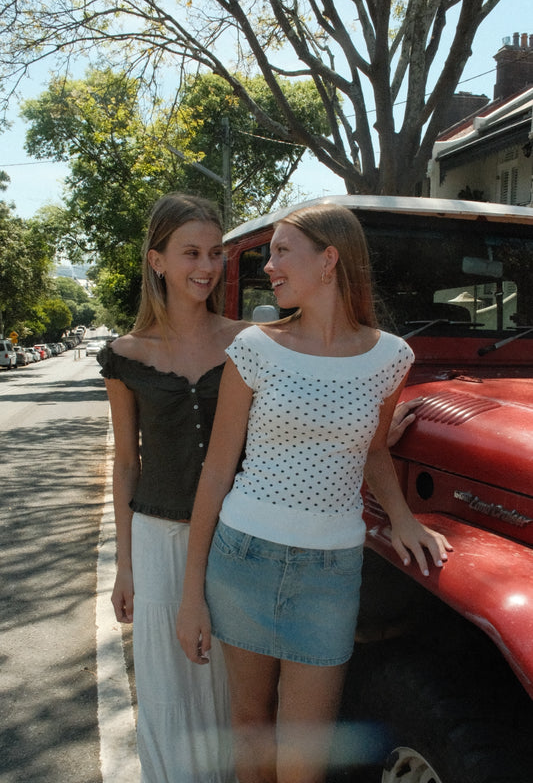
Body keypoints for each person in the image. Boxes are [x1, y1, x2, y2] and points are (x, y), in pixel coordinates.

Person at [176, 203, 452, 783]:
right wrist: (191, 595)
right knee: (251, 729)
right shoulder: (254, 347)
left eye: (281, 251)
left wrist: (402, 518)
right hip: (243, 558)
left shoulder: (390, 356)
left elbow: (374, 449)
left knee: (304, 755)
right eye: (270, 253)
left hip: (330, 573)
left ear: (330, 260)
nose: (268, 266)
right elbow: (217, 468)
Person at [99, 192, 247, 783]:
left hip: (238, 537)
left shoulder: (249, 342)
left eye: (215, 253)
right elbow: (126, 464)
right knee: (167, 691)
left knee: (233, 689)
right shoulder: (124, 356)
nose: (206, 267)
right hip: (158, 541)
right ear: (157, 260)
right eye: (190, 253)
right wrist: (124, 566)